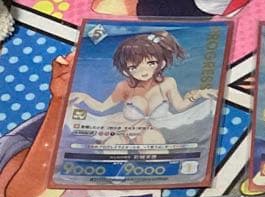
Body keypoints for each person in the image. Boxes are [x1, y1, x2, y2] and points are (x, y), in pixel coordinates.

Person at [67, 31, 217, 148]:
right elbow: (102, 107)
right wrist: (85, 97)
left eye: (150, 63)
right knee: (113, 147)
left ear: (161, 63)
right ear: (126, 70)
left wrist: (198, 95)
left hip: (152, 131)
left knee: (154, 145)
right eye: (134, 67)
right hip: (123, 129)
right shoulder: (124, 86)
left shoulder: (168, 83)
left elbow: (179, 106)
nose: (143, 71)